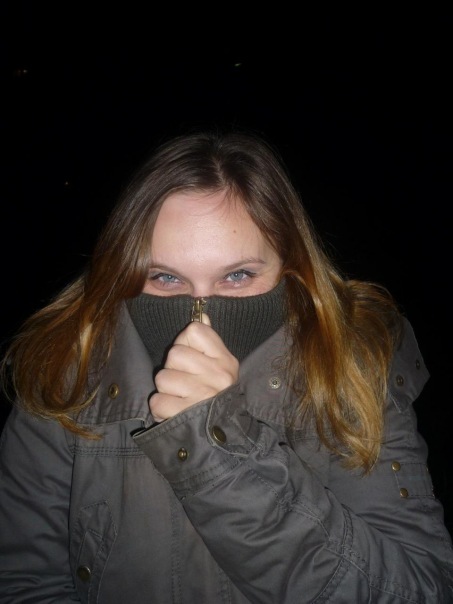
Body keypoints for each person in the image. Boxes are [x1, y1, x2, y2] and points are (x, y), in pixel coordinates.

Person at [0, 130, 452, 604]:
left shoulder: (349, 368)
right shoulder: (63, 372)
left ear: (292, 267)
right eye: (165, 277)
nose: (200, 319)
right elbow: (26, 581)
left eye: (237, 276)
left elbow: (417, 588)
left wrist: (222, 449)